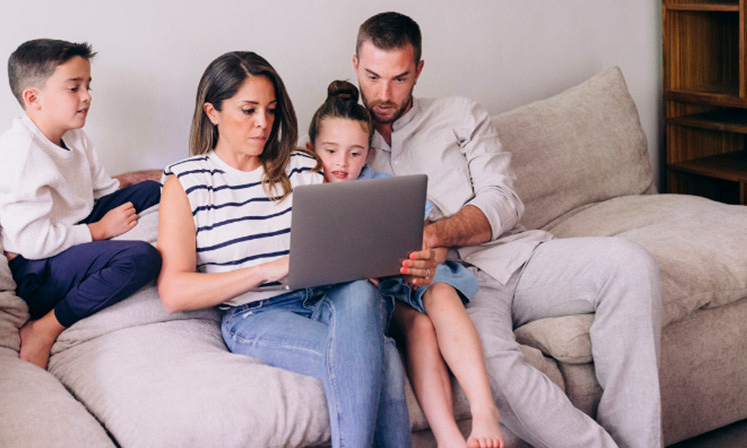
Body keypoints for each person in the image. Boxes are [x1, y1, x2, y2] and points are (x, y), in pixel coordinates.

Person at [352, 12, 664, 448]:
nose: (384, 94)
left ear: (419, 70)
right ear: (355, 66)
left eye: (400, 78)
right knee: (490, 361)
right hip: (453, 290)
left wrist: (435, 232)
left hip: (518, 257)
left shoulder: (459, 115)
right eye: (373, 76)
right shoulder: (345, 144)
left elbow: (503, 198)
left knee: (631, 264)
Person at [156, 51, 422, 447]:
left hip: (328, 295)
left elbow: (349, 237)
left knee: (363, 292)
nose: (263, 123)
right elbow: (174, 292)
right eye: (248, 110)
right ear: (212, 112)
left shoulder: (301, 166)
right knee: (381, 357)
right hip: (255, 314)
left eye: (270, 109)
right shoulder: (187, 182)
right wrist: (268, 269)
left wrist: (378, 259)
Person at [305, 80, 503, 448]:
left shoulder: (382, 186)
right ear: (311, 149)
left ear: (368, 152)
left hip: (401, 281)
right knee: (420, 328)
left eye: (355, 153)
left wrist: (427, 260)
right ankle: (447, 435)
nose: (342, 163)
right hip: (362, 297)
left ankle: (482, 412)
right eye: (331, 151)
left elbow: (430, 237)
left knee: (441, 292)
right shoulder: (304, 191)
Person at [0, 38, 163, 370]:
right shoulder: (21, 155)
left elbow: (102, 190)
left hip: (72, 228)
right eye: (73, 88)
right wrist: (99, 231)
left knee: (152, 191)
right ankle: (45, 327)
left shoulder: (74, 136)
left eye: (88, 86)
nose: (87, 96)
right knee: (141, 258)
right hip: (35, 265)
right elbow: (32, 242)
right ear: (33, 98)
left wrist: (156, 180)